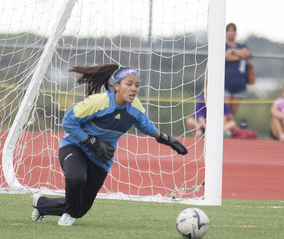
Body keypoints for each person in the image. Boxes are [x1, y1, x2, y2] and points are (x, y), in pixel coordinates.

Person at [32, 64, 188, 226]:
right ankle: (67, 216)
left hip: (101, 159)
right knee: (77, 178)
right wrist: (91, 142)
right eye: (129, 84)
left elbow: (147, 127)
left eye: (137, 85)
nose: (134, 88)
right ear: (118, 86)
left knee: (81, 208)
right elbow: (68, 123)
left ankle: (41, 204)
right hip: (75, 147)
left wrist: (167, 139)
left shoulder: (135, 109)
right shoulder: (99, 102)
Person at [224, 23, 252, 116]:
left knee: (232, 115)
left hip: (239, 84)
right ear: (225, 32)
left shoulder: (242, 45)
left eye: (233, 31)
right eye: (229, 30)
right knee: (225, 113)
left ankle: (229, 130)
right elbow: (225, 56)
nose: (231, 33)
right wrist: (240, 56)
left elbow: (247, 54)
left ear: (236, 33)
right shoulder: (223, 45)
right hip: (225, 84)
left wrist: (232, 52)